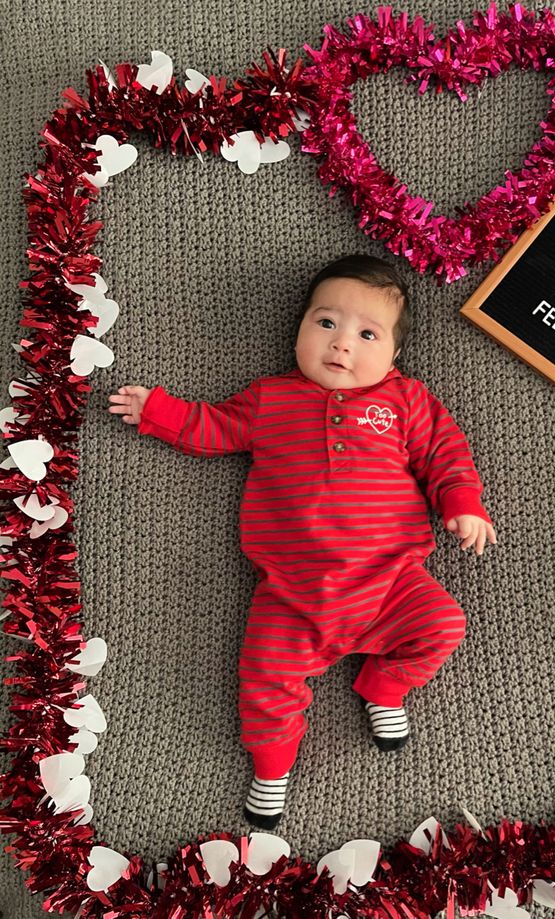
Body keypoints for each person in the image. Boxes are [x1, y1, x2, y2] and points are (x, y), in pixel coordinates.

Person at [108, 254, 497, 829]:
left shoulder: (406, 402)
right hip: (292, 590)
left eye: (367, 334)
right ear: (299, 329)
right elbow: (211, 429)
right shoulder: (270, 400)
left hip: (390, 580)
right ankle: (272, 768)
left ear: (394, 354)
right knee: (264, 675)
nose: (341, 345)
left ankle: (384, 687)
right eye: (325, 323)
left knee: (444, 625)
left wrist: (462, 505)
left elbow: (446, 455)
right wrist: (158, 411)